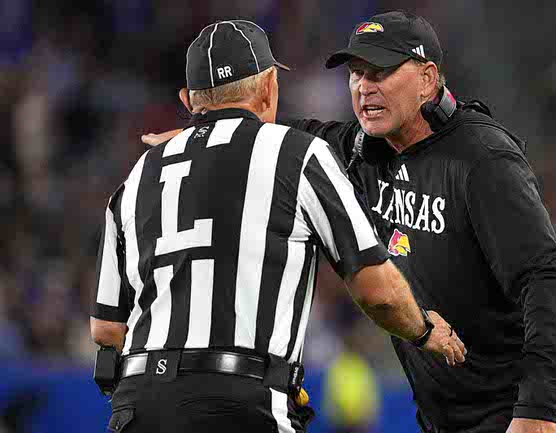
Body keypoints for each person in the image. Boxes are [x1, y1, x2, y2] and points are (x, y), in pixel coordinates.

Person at [145, 10, 556, 433]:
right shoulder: (363, 149)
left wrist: (539, 408)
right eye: (356, 73)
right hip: (443, 416)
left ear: (427, 79)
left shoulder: (481, 157)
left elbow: (547, 279)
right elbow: (290, 134)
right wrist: (210, 135)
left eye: (380, 72)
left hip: (509, 414)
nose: (363, 88)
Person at [91, 19, 466, 433]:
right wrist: (425, 330)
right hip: (246, 403)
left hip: (140, 404)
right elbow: (376, 290)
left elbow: (107, 328)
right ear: (270, 85)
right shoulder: (298, 154)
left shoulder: (138, 175)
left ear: (188, 98)